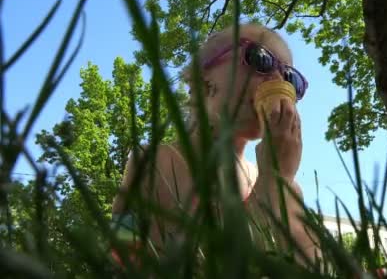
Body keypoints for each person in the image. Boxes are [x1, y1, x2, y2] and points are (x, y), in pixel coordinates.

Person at [110, 23, 320, 269]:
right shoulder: (154, 162)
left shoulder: (288, 186)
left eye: (290, 78)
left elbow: (312, 266)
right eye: (260, 59)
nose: (277, 80)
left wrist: (278, 183)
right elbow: (123, 260)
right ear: (202, 81)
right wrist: (271, 184)